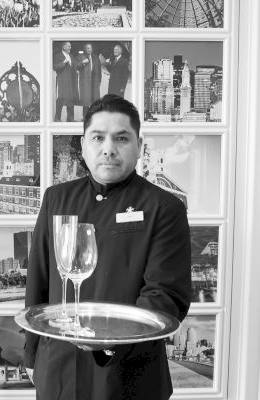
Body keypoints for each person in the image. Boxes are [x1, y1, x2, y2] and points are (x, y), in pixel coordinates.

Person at [24, 94, 191, 400]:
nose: (108, 148)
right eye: (98, 137)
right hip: (59, 367)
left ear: (138, 147)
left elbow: (166, 293)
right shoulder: (56, 198)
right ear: (83, 145)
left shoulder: (165, 207)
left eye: (122, 138)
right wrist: (32, 354)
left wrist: (112, 341)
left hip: (131, 374)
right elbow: (39, 279)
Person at [53, 41, 79, 122]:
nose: (70, 48)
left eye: (70, 46)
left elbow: (74, 67)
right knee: (61, 99)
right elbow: (55, 67)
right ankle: (57, 118)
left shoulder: (71, 56)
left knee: (71, 100)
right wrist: (64, 62)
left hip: (71, 81)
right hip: (62, 81)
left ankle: (70, 119)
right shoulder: (58, 56)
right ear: (64, 47)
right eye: (68, 46)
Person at [76, 43, 102, 119]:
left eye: (90, 48)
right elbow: (76, 66)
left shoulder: (95, 57)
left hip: (94, 81)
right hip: (85, 82)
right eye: (87, 48)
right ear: (85, 49)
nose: (89, 49)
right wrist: (82, 62)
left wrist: (99, 80)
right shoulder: (80, 57)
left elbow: (99, 69)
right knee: (86, 100)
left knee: (95, 100)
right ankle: (85, 117)